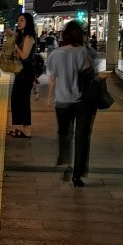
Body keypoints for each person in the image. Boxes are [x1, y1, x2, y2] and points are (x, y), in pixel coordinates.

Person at [46, 21, 95, 187]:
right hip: (83, 101)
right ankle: (77, 175)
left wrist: (49, 98)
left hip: (62, 100)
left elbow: (52, 78)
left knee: (64, 134)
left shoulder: (55, 53)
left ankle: (65, 163)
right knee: (82, 138)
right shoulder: (84, 52)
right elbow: (90, 73)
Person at [8, 12, 37, 138]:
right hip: (22, 71)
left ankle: (27, 130)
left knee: (23, 100)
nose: (19, 22)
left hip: (26, 71)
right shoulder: (23, 36)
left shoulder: (29, 37)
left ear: (28, 22)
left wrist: (15, 44)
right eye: (18, 20)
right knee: (17, 98)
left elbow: (24, 56)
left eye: (22, 20)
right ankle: (23, 127)